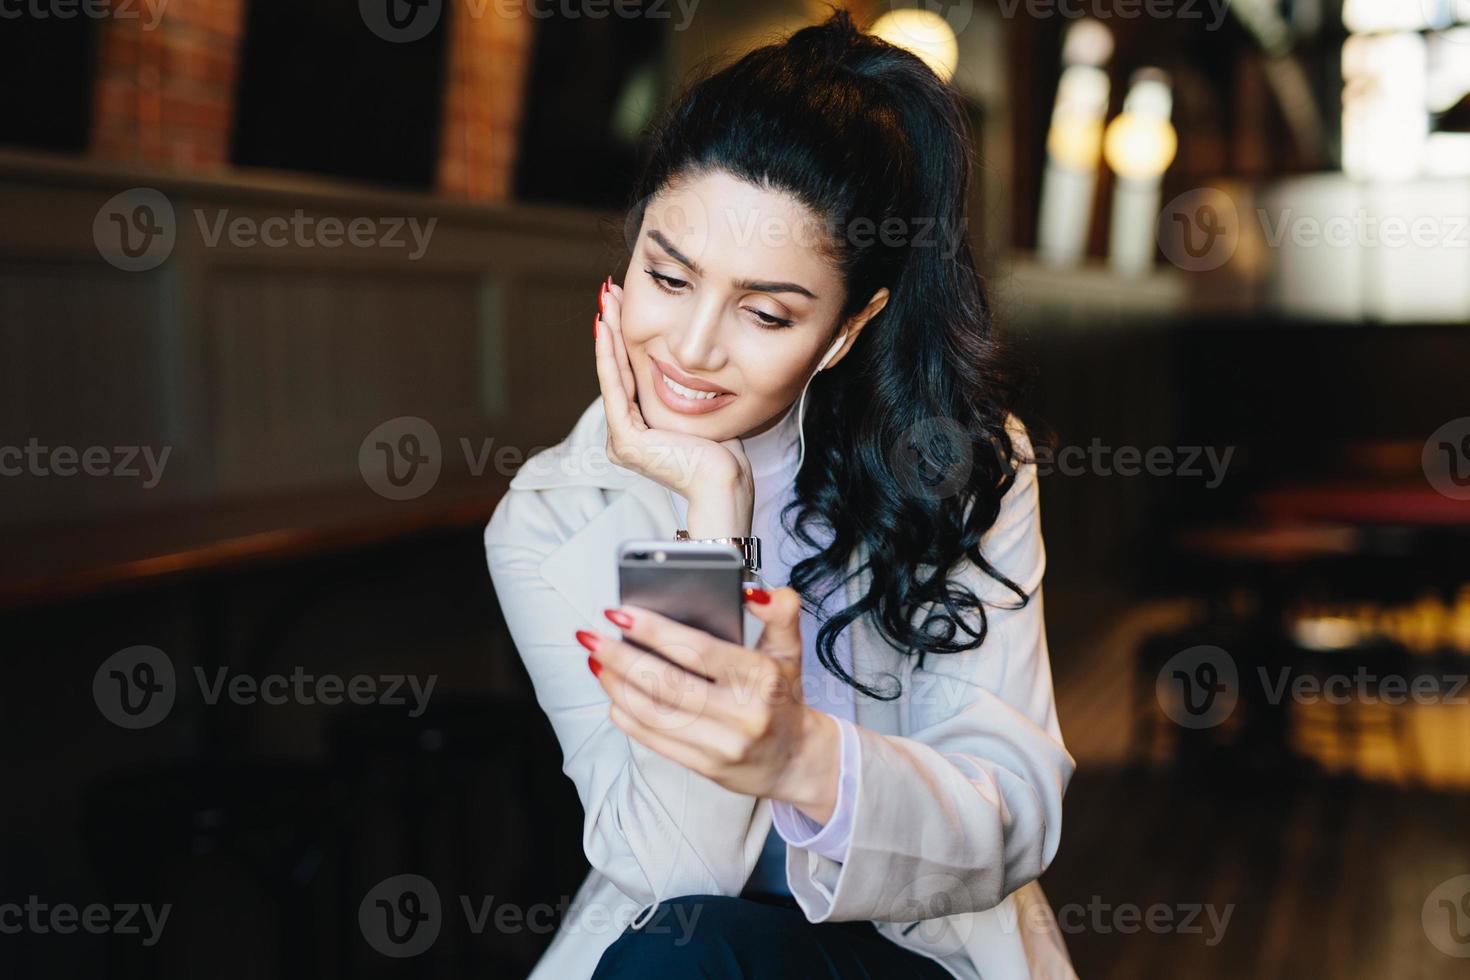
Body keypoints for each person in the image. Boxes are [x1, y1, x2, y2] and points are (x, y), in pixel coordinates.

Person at [484, 9, 1076, 978]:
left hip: (919, 945)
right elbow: (680, 866)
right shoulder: (549, 516)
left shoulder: (962, 463)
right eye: (667, 277)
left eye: (765, 311)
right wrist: (707, 516)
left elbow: (1014, 805)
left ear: (847, 330)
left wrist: (800, 755)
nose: (691, 346)